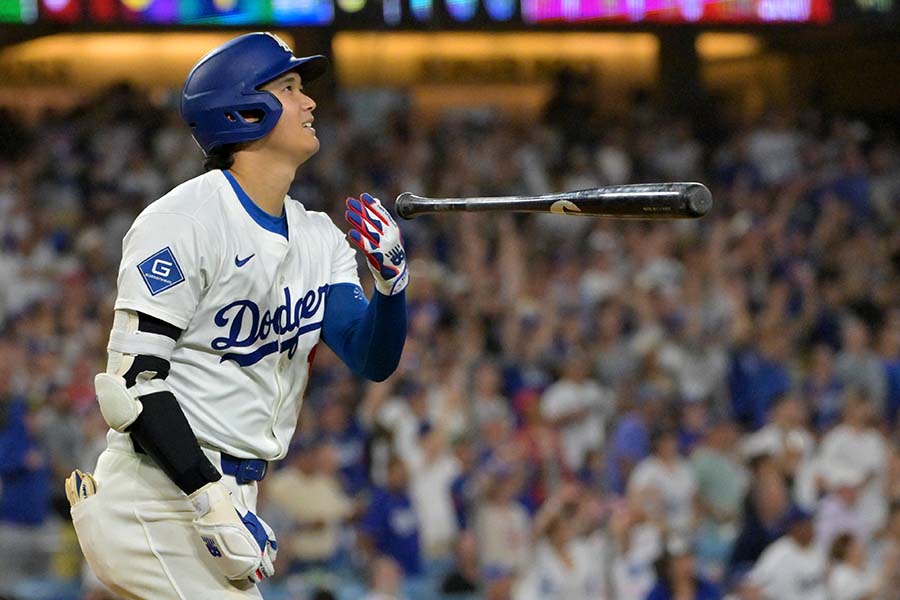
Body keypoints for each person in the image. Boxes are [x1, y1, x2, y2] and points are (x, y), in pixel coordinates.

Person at [65, 32, 408, 599]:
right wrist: (211, 502)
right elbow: (132, 386)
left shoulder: (318, 237)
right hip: (160, 495)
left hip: (226, 496)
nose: (310, 102)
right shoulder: (184, 219)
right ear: (246, 111)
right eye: (290, 88)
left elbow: (371, 358)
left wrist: (391, 286)